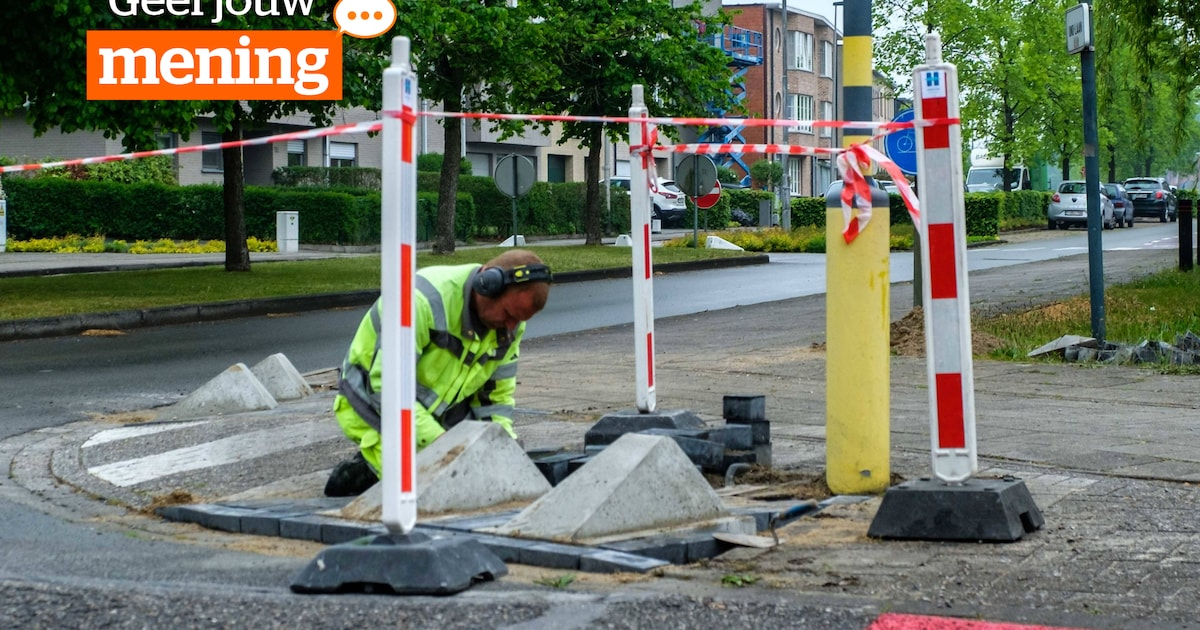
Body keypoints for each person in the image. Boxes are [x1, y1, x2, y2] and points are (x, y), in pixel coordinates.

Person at [324, 249, 552, 497]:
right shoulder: (419, 301)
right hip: (374, 406)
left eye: (518, 320)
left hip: (437, 413)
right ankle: (364, 472)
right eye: (508, 315)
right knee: (422, 492)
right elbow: (388, 390)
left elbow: (495, 400)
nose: (511, 327)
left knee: (471, 482)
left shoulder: (509, 326)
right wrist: (445, 447)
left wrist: (503, 451)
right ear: (486, 284)